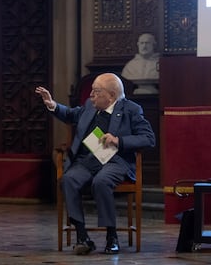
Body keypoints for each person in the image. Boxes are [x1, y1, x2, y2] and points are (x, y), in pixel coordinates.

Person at [35, 73, 155, 255]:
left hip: (115, 161)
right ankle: (83, 237)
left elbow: (148, 138)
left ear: (112, 95)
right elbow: (70, 114)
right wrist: (53, 105)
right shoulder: (90, 107)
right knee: (68, 179)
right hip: (87, 161)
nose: (91, 95)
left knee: (101, 182)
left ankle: (111, 236)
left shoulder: (131, 109)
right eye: (91, 91)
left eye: (96, 91)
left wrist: (118, 140)